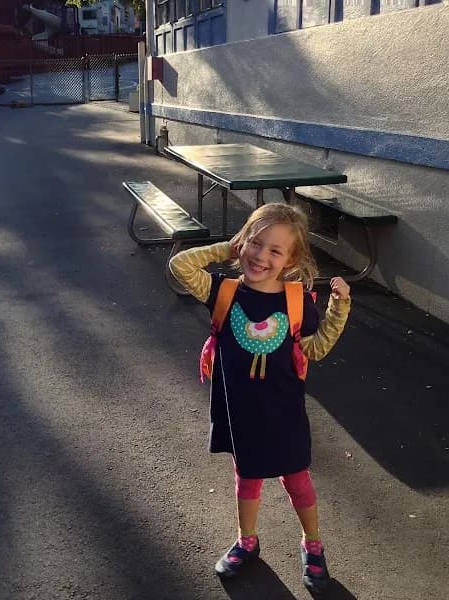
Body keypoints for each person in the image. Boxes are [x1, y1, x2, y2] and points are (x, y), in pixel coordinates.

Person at [168, 202, 351, 593]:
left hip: (283, 412)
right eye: (255, 242)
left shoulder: (297, 301)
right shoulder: (223, 291)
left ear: (292, 259)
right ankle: (246, 540)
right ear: (243, 241)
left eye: (275, 250)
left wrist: (340, 309)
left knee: (296, 478)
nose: (260, 256)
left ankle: (312, 545)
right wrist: (225, 249)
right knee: (247, 477)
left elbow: (315, 349)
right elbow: (180, 266)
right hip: (240, 411)